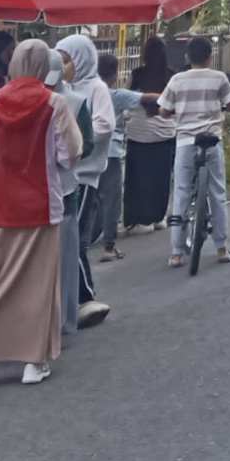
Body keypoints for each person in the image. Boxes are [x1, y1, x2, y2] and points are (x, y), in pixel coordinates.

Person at [0, 39, 79, 393]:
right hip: (40, 206)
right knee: (36, 289)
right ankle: (32, 363)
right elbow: (70, 155)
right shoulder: (55, 103)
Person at [159, 37, 230, 268]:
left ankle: (176, 253)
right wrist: (229, 107)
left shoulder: (177, 80)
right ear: (210, 57)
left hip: (185, 142)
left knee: (182, 192)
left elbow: (163, 110)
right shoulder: (219, 78)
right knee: (217, 193)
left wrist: (173, 112)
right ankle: (222, 248)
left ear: (187, 57)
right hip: (211, 141)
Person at [52, 34, 112, 330]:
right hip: (64, 174)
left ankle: (85, 297)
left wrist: (74, 132)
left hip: (85, 175)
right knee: (66, 238)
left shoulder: (97, 88)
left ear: (82, 60)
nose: (63, 67)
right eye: (59, 61)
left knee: (74, 237)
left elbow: (105, 125)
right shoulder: (63, 91)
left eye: (67, 61)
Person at [119, 38, 178, 234]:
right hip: (164, 134)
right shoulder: (171, 76)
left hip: (138, 134)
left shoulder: (136, 74)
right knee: (161, 178)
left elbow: (126, 100)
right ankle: (158, 217)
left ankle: (137, 218)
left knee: (137, 177)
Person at [95, 53, 136, 262]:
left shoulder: (85, 92)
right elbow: (144, 99)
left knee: (91, 198)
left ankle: (82, 241)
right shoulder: (117, 95)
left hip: (88, 152)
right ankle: (109, 247)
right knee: (111, 199)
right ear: (114, 74)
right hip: (111, 152)